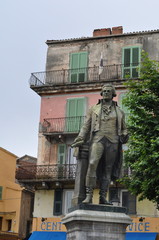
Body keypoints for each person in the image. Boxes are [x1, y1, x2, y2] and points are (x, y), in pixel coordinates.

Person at [71, 84, 128, 204]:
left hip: (113, 141)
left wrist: (125, 135)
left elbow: (123, 129)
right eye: (104, 91)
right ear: (101, 93)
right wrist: (81, 137)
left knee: (108, 169)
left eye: (108, 91)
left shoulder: (120, 112)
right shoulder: (93, 109)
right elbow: (86, 125)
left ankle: (103, 197)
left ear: (113, 94)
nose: (106, 92)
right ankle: (89, 195)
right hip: (98, 139)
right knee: (92, 164)